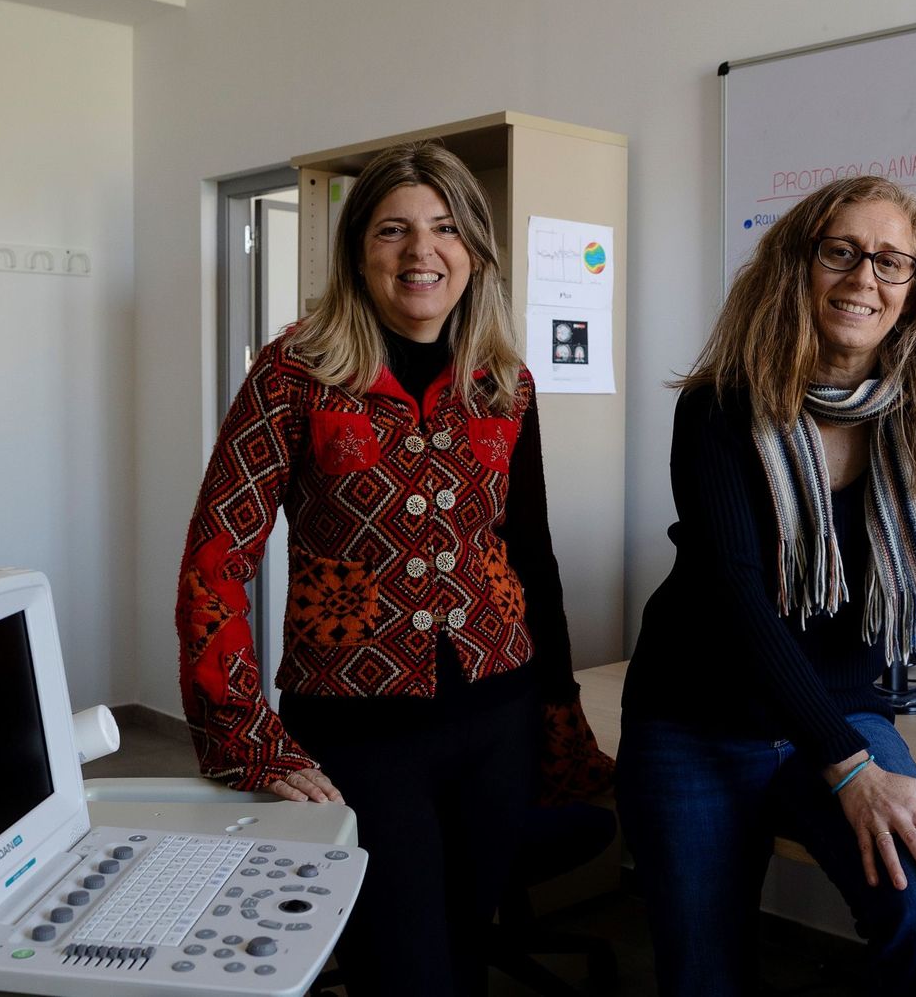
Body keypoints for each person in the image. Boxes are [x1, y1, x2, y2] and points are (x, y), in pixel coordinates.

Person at [175, 141, 613, 997]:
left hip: (498, 715)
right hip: (357, 730)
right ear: (357, 252)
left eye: (446, 228)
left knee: (460, 948)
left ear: (475, 250)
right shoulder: (295, 371)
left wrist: (557, 710)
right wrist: (239, 732)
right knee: (402, 971)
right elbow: (217, 555)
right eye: (393, 230)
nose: (422, 252)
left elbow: (531, 553)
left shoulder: (504, 381)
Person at [616, 175, 916, 996]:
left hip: (844, 708)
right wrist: (852, 768)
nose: (866, 278)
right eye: (842, 252)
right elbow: (738, 602)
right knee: (702, 972)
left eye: (893, 263)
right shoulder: (719, 409)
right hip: (695, 719)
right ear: (797, 265)